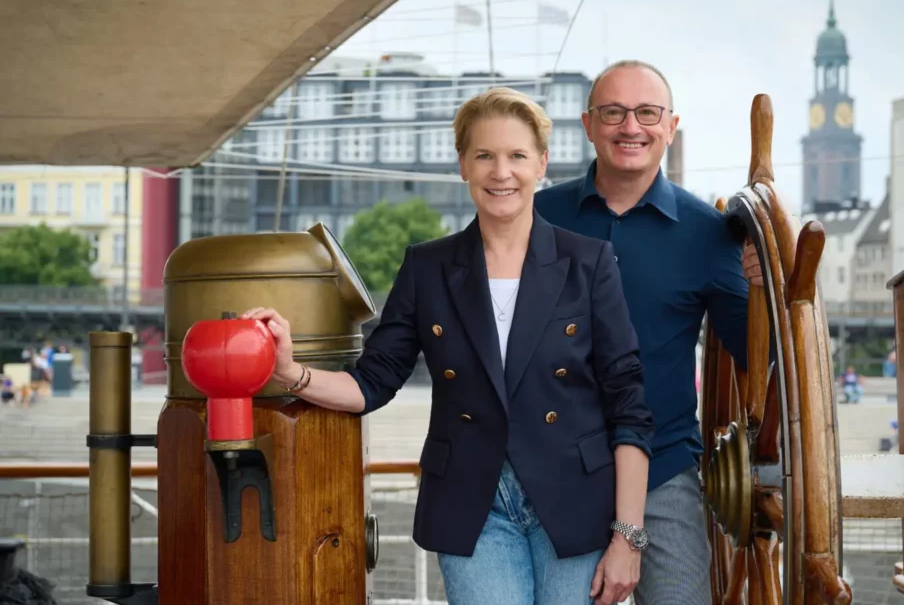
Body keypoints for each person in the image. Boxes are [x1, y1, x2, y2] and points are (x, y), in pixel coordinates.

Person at [242, 87, 655, 605]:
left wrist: (628, 537)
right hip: (472, 504)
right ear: (463, 165)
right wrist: (289, 370)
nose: (500, 172)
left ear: (542, 164)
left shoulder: (589, 262)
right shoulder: (427, 267)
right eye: (484, 155)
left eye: (517, 156)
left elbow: (628, 404)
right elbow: (373, 382)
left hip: (575, 502)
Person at [534, 59, 761, 605]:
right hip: (555, 470)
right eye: (613, 112)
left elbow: (759, 353)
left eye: (646, 112)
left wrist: (769, 286)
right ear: (588, 125)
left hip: (663, 470)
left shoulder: (708, 232)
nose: (630, 126)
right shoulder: (536, 216)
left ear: (671, 126)